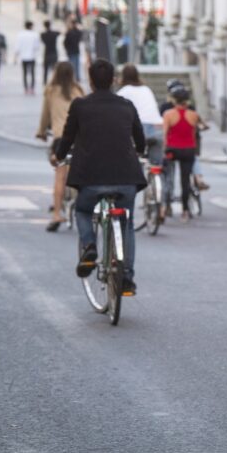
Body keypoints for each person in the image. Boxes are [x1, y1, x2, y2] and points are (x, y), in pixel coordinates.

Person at [55, 59, 146, 296]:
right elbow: (140, 138)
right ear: (114, 79)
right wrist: (140, 151)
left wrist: (59, 156)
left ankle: (89, 246)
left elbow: (67, 137)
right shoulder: (127, 105)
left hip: (91, 177)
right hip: (126, 176)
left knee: (83, 211)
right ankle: (126, 278)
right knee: (126, 223)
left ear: (91, 80)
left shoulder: (80, 106)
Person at [36, 61, 85, 232]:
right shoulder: (78, 90)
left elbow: (45, 115)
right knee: (79, 175)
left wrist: (41, 132)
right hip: (79, 138)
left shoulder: (51, 91)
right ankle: (81, 209)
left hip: (60, 137)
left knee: (60, 177)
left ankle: (57, 213)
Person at [162, 84, 199, 222]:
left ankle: (165, 207)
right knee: (185, 181)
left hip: (173, 149)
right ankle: (185, 211)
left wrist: (164, 151)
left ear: (173, 100)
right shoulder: (193, 115)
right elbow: (193, 133)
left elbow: (165, 135)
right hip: (188, 150)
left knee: (168, 178)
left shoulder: (168, 114)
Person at [118, 64, 163, 164]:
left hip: (140, 128)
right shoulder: (146, 89)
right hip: (158, 127)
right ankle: (159, 178)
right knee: (157, 164)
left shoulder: (123, 92)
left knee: (135, 160)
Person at [15, 21, 40, 95]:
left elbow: (18, 46)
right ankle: (32, 88)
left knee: (25, 73)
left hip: (23, 57)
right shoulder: (34, 34)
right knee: (32, 73)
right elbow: (37, 47)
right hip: (32, 56)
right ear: (31, 26)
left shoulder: (20, 34)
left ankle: (26, 88)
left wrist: (15, 56)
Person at [40, 20, 60, 86]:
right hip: (54, 53)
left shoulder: (43, 34)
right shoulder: (54, 33)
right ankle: (55, 81)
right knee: (54, 69)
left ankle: (45, 82)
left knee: (45, 70)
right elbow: (59, 32)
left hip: (47, 53)